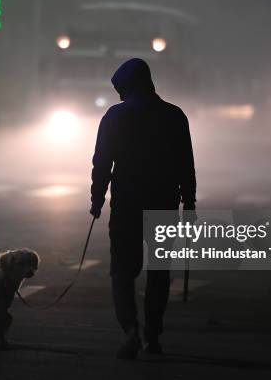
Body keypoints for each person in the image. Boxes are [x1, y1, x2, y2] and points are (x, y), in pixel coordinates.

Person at [90, 58, 196, 359]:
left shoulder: (114, 117)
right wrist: (189, 202)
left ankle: (130, 330)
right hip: (164, 204)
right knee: (159, 273)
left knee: (122, 272)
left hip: (126, 205)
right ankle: (153, 336)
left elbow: (102, 163)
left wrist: (97, 199)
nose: (119, 95)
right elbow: (185, 164)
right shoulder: (175, 116)